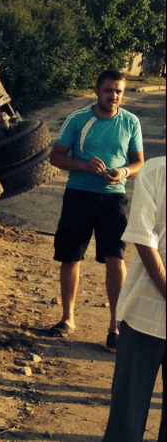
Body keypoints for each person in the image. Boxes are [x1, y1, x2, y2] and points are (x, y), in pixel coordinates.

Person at [48, 68, 144, 350]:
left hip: (113, 199)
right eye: (108, 90)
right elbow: (56, 157)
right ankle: (68, 318)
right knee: (71, 257)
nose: (113, 96)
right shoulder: (79, 119)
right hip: (79, 195)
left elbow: (139, 162)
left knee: (116, 260)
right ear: (96, 91)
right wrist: (83, 164)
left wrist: (124, 172)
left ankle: (115, 326)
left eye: (118, 91)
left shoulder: (131, 122)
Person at [103, 155, 165, 442]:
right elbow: (143, 237)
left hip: (147, 313)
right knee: (126, 420)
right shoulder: (157, 170)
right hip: (146, 315)